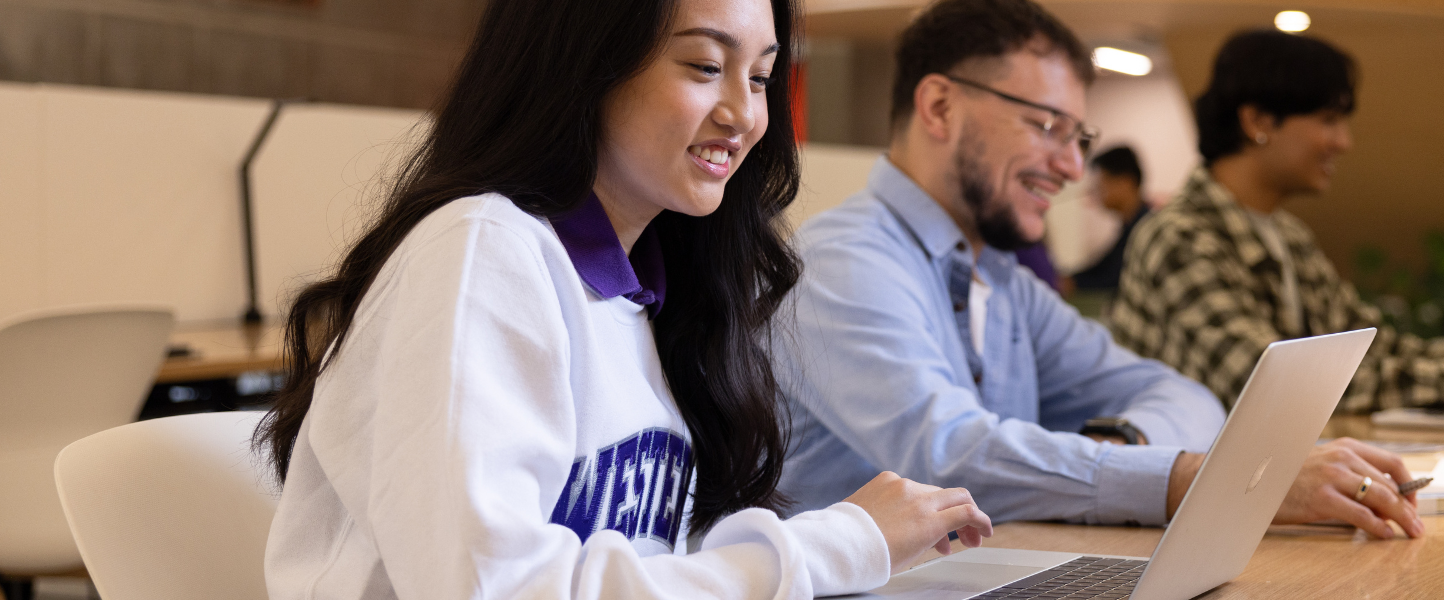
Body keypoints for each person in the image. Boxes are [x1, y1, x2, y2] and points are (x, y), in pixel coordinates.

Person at [253, 0, 991, 597]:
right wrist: (831, 548)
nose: (746, 115)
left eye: (762, 77)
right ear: (584, 68)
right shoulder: (482, 249)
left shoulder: (658, 299)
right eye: (706, 65)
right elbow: (487, 587)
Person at [774, 0, 1424, 541]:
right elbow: (948, 457)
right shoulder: (844, 260)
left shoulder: (1002, 286)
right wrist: (1216, 479)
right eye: (1048, 126)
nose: (1071, 168)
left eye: (1076, 137)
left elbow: (1188, 397)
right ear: (941, 108)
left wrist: (1122, 440)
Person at [1107, 30, 1444, 413]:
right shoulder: (1182, 237)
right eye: (1328, 119)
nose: (1344, 142)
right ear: (1257, 121)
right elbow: (1269, 383)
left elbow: (1369, 348)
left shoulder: (1286, 237)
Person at [1069, 146, 1150, 293]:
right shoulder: (1130, 225)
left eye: (1101, 185)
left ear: (1126, 182)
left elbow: (1115, 278)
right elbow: (1103, 267)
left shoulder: (1146, 227)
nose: (1096, 192)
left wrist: (1074, 283)